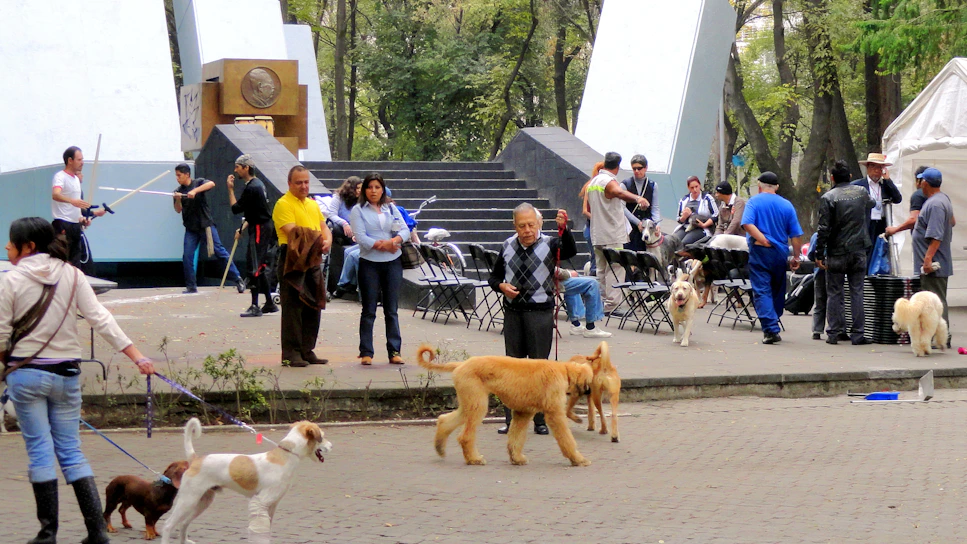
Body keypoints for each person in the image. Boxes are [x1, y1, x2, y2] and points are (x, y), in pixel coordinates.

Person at [0, 217, 155, 544]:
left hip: (26, 377)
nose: (6, 246)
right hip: (68, 374)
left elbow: (1, 335)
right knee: (71, 451)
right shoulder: (73, 275)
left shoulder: (11, 280)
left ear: (28, 246)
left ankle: (47, 535)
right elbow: (101, 319)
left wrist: (8, 364)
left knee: (41, 453)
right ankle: (97, 533)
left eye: (11, 242)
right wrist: (137, 356)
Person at [488, 203, 576, 435]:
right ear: (514, 226)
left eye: (531, 225)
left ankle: (540, 421)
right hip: (514, 313)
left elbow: (569, 251)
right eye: (521, 226)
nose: (526, 230)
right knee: (511, 370)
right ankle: (511, 420)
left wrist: (564, 230)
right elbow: (494, 277)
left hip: (540, 313)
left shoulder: (550, 243)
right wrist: (501, 286)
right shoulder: (507, 245)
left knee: (540, 369)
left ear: (539, 224)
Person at [272, 165, 333, 367]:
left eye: (306, 182)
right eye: (299, 182)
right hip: (292, 259)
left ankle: (307, 350)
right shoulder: (283, 204)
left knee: (314, 305)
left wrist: (328, 240)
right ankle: (291, 353)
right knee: (292, 307)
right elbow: (293, 232)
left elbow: (324, 227)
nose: (303, 186)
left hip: (313, 258)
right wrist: (320, 240)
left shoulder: (313, 204)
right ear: (289, 183)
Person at [350, 173, 409, 365]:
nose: (373, 191)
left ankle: (394, 351)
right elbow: (361, 237)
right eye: (370, 187)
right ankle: (366, 351)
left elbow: (405, 230)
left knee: (391, 309)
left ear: (382, 189)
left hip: (392, 262)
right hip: (370, 262)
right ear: (364, 190)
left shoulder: (390, 208)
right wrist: (383, 245)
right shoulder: (358, 210)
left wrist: (393, 241)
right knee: (369, 309)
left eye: (377, 187)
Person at [814, 160, 875, 345]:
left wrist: (819, 253)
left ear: (832, 178)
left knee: (835, 292)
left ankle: (834, 332)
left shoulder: (828, 198)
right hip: (858, 250)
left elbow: (823, 229)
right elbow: (872, 204)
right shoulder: (862, 193)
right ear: (850, 177)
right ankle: (858, 334)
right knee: (857, 292)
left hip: (836, 251)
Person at [741, 171, 804, 344]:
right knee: (777, 288)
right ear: (777, 186)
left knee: (761, 290)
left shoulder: (754, 201)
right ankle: (774, 320)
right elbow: (796, 235)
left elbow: (747, 223)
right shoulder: (787, 205)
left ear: (760, 186)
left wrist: (762, 239)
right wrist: (796, 257)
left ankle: (770, 329)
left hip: (761, 251)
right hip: (780, 253)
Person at [586, 152, 651, 314]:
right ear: (617, 166)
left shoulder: (593, 181)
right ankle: (612, 305)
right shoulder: (608, 181)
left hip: (597, 233)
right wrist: (638, 199)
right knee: (615, 268)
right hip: (612, 234)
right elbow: (618, 192)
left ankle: (599, 303)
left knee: (600, 269)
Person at [173, 163, 242, 294]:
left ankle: (237, 278)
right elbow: (178, 210)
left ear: (187, 174)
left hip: (205, 226)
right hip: (191, 229)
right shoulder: (179, 191)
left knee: (219, 252)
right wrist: (177, 199)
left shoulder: (198, 182)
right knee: (187, 256)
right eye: (176, 176)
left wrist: (194, 191)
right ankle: (191, 286)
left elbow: (211, 184)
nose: (177, 178)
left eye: (179, 175)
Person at [228, 154, 277, 317]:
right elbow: (254, 211)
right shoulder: (258, 185)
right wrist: (242, 228)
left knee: (254, 266)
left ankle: (255, 305)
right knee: (260, 266)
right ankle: (269, 303)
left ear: (246, 167)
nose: (235, 170)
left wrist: (230, 189)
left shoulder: (252, 187)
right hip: (261, 226)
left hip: (259, 229)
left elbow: (236, 208)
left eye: (238, 167)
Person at [912, 167, 954, 348]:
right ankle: (938, 338)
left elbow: (936, 236)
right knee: (935, 301)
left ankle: (941, 339)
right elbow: (952, 221)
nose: (919, 184)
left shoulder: (935, 204)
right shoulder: (942, 199)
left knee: (934, 302)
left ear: (925, 183)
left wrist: (927, 260)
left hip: (934, 264)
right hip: (937, 261)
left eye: (921, 181)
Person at [51, 146, 105, 276]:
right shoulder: (60, 176)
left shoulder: (76, 179)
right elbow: (55, 195)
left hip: (75, 225)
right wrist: (72, 201)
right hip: (63, 224)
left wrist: (82, 218)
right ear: (70, 160)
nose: (82, 162)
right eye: (79, 159)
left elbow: (75, 208)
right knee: (62, 261)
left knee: (76, 264)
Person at [852, 152, 902, 258]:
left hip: (881, 224)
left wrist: (888, 180)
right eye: (873, 166)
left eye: (879, 167)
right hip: (865, 224)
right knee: (865, 254)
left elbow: (898, 199)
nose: (876, 170)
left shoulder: (885, 185)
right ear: (868, 168)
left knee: (880, 254)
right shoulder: (858, 185)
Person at [557, 268, 612, 338]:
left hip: (546, 282)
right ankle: (590, 328)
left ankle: (576, 325)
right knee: (592, 283)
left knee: (575, 283)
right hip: (549, 282)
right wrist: (568, 273)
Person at [620, 154, 660, 251]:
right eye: (634, 169)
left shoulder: (653, 185)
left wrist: (657, 224)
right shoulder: (625, 184)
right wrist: (637, 222)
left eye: (639, 168)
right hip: (629, 227)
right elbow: (622, 207)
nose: (637, 171)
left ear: (646, 168)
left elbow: (655, 207)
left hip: (647, 229)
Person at [884, 165, 930, 238]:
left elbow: (914, 219)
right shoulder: (942, 197)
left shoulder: (918, 195)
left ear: (918, 181)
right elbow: (951, 221)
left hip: (923, 239)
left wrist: (895, 229)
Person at [673, 176, 718, 245]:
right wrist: (684, 217)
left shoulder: (707, 198)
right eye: (692, 188)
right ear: (688, 188)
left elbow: (716, 214)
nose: (695, 189)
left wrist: (704, 225)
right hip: (686, 226)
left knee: (685, 243)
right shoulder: (684, 200)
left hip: (702, 228)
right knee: (674, 241)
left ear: (700, 185)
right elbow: (678, 219)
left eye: (696, 186)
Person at [579, 161, 605, 277]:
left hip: (599, 228)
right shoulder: (590, 186)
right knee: (595, 257)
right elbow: (585, 210)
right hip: (591, 227)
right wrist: (598, 219)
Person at [807, 232, 827, 341]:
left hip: (820, 270)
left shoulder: (817, 235)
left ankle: (817, 330)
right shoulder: (841, 232)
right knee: (837, 299)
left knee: (819, 300)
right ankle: (837, 328)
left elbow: (810, 254)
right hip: (836, 270)